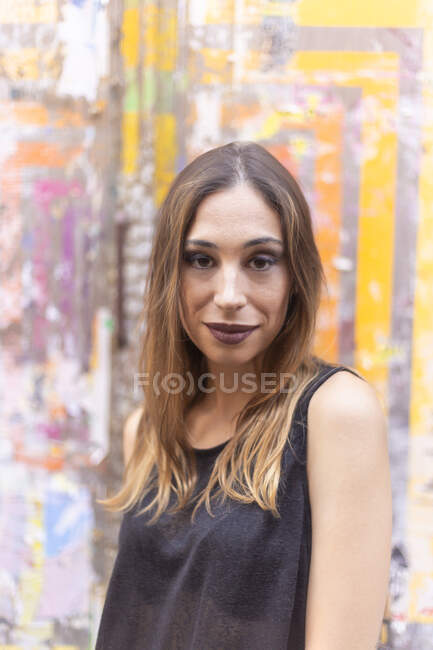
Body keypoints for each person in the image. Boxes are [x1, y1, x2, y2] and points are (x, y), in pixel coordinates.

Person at [95, 141, 392, 649]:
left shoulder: (336, 414)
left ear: (294, 277)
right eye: (201, 259)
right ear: (172, 273)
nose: (229, 295)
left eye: (260, 261)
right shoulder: (147, 432)